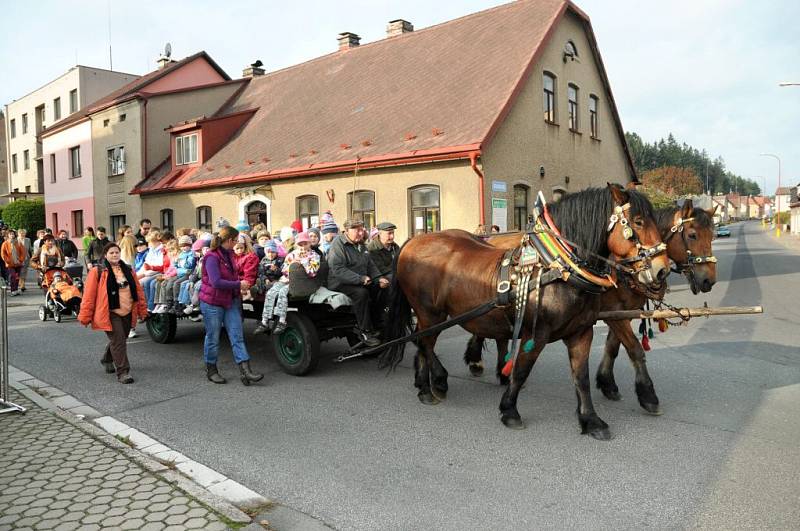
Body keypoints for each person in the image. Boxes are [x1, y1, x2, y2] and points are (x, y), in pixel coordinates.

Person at [199, 226, 263, 386]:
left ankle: (245, 371)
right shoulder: (211, 257)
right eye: (235, 240)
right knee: (213, 337)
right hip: (212, 302)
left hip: (230, 301)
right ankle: (211, 369)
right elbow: (216, 282)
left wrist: (242, 283)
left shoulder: (230, 255)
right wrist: (238, 284)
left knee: (237, 336)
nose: (236, 243)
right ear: (229, 240)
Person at [78, 242, 147, 384]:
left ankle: (107, 358)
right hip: (110, 312)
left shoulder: (128, 270)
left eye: (117, 252)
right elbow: (89, 295)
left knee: (120, 338)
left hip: (127, 310)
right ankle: (123, 372)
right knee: (119, 340)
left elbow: (138, 291)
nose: (115, 255)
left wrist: (142, 310)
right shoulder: (97, 271)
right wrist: (85, 315)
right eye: (111, 253)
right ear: (105, 255)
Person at [327, 219, 389, 346]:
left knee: (383, 288)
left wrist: (379, 278)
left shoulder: (361, 244)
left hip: (360, 280)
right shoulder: (337, 244)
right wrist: (359, 279)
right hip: (340, 283)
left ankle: (376, 323)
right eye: (357, 230)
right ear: (346, 231)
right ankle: (365, 330)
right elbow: (338, 269)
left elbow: (370, 264)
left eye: (362, 229)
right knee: (361, 294)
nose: (361, 233)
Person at [256, 232, 320, 335]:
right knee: (271, 292)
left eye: (305, 244)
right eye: (300, 244)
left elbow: (312, 272)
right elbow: (284, 270)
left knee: (282, 293)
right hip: (286, 279)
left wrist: (303, 262)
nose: (303, 246)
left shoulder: (314, 256)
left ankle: (282, 321)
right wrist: (292, 265)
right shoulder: (292, 254)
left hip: (301, 282)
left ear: (309, 244)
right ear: (297, 245)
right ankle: (264, 321)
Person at [1, 230, 28, 296]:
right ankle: (13, 290)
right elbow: (3, 254)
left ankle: (16, 290)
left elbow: (23, 252)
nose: (12, 235)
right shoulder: (5, 243)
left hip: (18, 263)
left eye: (13, 234)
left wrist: (21, 259)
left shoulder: (18, 242)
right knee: (12, 276)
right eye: (10, 234)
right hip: (10, 264)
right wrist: (8, 261)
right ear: (8, 235)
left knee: (17, 277)